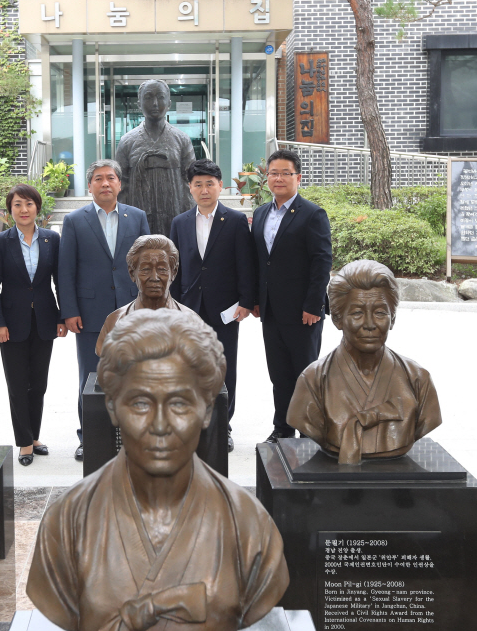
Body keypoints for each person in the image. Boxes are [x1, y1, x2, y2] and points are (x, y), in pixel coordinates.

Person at [27, 310, 289, 631]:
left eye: (180, 403)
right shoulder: (65, 525)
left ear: (207, 409)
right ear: (112, 406)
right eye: (140, 403)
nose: (161, 425)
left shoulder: (251, 529)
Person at [287, 260, 442, 464]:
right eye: (357, 313)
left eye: (380, 313)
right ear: (338, 319)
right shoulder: (313, 381)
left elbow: (427, 420)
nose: (370, 324)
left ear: (392, 318)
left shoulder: (418, 378)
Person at [58, 159, 150, 461]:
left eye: (111, 178)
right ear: (90, 186)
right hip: (90, 312)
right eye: (98, 179)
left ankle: (133, 434)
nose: (105, 183)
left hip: (132, 311)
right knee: (90, 375)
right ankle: (89, 436)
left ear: (120, 184)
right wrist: (69, 311)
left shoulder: (136, 217)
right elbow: (65, 270)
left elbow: (148, 265)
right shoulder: (74, 221)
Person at [170, 159, 255, 451]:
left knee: (224, 366)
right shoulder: (179, 223)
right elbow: (175, 268)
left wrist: (245, 302)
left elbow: (245, 264)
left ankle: (223, 424)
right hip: (188, 309)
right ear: (189, 189)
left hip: (225, 309)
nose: (204, 190)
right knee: (188, 367)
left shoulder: (234, 221)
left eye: (209, 183)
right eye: (198, 184)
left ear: (219, 186)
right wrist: (173, 305)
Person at [250, 149, 332, 443]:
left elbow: (322, 261)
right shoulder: (260, 213)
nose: (279, 178)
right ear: (267, 178)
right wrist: (256, 299)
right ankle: (282, 428)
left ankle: (310, 431)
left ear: (298, 177)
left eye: (286, 173)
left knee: (306, 374)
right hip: (271, 311)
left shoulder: (312, 214)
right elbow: (260, 261)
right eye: (274, 173)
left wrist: (314, 304)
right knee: (280, 375)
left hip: (303, 312)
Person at [0, 184, 67, 467]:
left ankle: (35, 436)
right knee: (17, 384)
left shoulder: (51, 240)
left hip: (44, 321)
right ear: (10, 211)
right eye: (18, 204)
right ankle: (23, 441)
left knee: (39, 384)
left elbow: (60, 281)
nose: (23, 209)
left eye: (29, 204)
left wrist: (61, 316)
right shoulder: (0, 243)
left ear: (37, 208)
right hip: (11, 324)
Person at [95, 234, 199, 356]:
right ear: (132, 273)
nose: (154, 278)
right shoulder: (113, 322)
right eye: (145, 269)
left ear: (173, 273)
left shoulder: (193, 322)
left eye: (162, 269)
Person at [116, 79, 195, 237]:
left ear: (169, 103)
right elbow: (120, 185)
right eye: (148, 97)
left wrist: (189, 217)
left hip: (174, 215)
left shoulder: (182, 139)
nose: (154, 103)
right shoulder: (127, 141)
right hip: (138, 216)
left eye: (160, 97)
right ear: (139, 104)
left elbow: (191, 183)